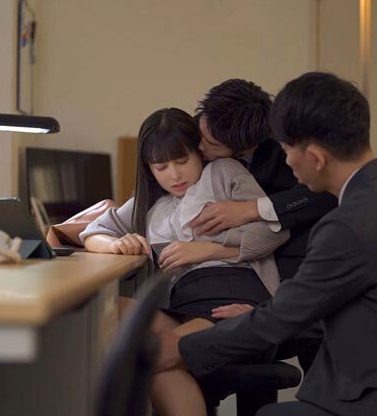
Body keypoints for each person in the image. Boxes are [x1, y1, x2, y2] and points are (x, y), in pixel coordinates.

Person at [156, 72, 377, 415]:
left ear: (316, 158)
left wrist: (181, 348)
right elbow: (369, 304)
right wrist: (267, 314)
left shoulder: (350, 224)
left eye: (287, 150)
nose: (286, 161)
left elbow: (282, 318)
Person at [80, 107, 288, 416]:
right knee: (108, 309)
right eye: (161, 167)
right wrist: (115, 243)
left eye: (182, 161)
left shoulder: (224, 173)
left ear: (199, 152)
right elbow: (93, 231)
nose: (174, 175)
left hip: (234, 300)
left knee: (155, 358)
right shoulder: (150, 202)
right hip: (184, 305)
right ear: (149, 169)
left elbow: (275, 230)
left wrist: (208, 250)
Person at [191, 78, 337, 371]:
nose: (200, 146)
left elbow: (324, 195)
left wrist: (251, 209)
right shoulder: (200, 136)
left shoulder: (287, 147)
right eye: (201, 134)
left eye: (212, 144)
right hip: (218, 273)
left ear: (247, 145)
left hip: (287, 261)